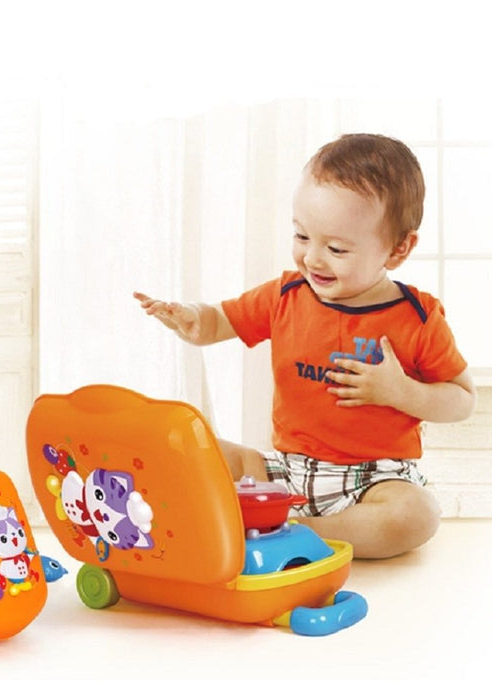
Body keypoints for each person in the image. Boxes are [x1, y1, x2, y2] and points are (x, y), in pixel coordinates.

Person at [134, 133, 476, 560]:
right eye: (301, 236)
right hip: (285, 471)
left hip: (375, 480)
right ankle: (252, 517)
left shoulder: (417, 318)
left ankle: (304, 531)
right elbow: (219, 322)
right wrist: (193, 318)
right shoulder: (286, 295)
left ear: (398, 249)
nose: (313, 258)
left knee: (417, 514)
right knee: (190, 446)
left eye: (336, 248)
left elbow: (463, 399)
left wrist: (401, 392)